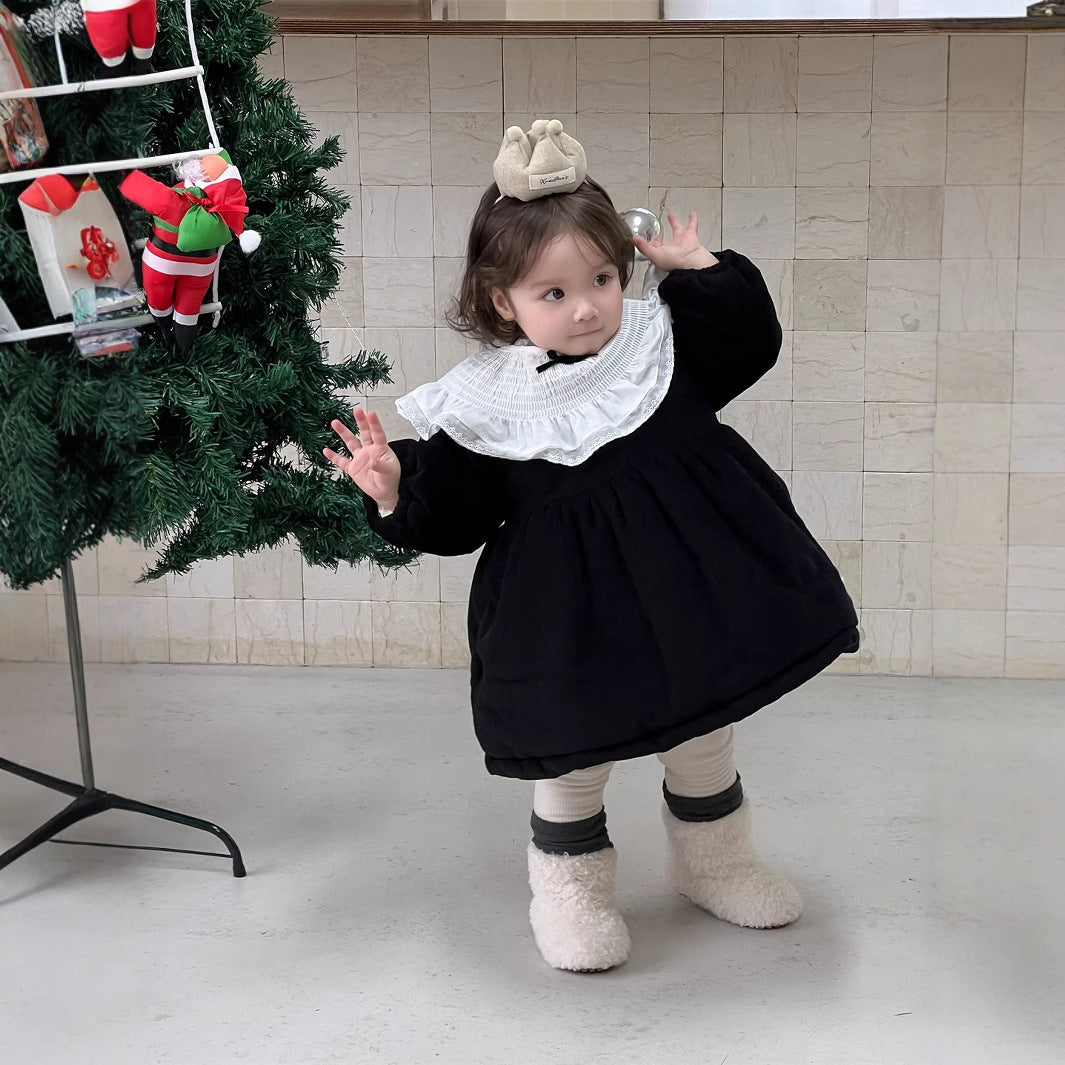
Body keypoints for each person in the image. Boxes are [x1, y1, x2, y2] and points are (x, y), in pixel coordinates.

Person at [325, 120, 859, 973]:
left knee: (703, 734)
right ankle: (569, 892)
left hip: (692, 587)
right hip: (568, 619)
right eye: (554, 292)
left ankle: (715, 861)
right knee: (575, 756)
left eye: (602, 279)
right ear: (502, 301)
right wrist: (393, 488)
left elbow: (749, 344)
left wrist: (700, 272)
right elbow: (456, 513)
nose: (585, 307)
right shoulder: (487, 404)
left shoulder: (659, 343)